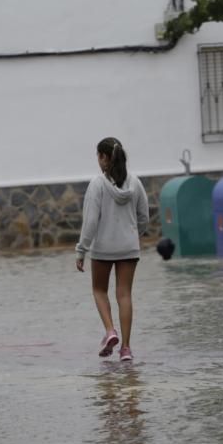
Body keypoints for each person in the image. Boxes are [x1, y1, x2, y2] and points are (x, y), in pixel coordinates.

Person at [75, 137, 150, 362]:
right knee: (124, 294)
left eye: (98, 156)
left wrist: (81, 250)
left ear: (104, 158)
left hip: (103, 249)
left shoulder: (97, 184)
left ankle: (110, 331)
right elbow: (144, 217)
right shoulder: (135, 183)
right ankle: (126, 349)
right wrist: (134, 235)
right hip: (129, 247)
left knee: (99, 291)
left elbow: (90, 222)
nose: (98, 160)